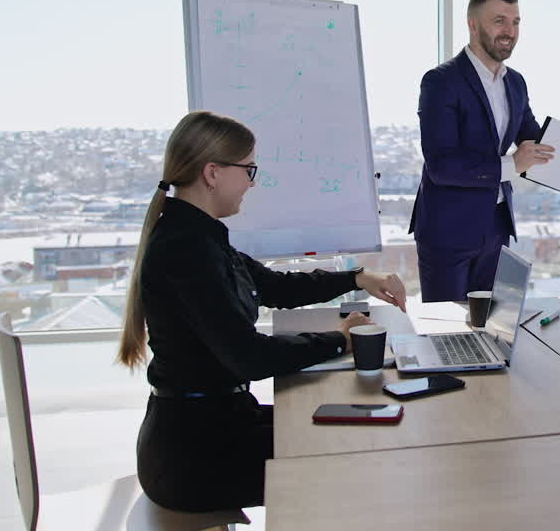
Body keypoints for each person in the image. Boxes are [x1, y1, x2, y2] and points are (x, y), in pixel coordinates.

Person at [116, 110, 409, 512]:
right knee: (350, 455)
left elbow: (275, 287)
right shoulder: (186, 250)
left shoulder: (200, 238)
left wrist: (357, 278)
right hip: (193, 459)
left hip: (217, 424)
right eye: (248, 170)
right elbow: (249, 356)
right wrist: (339, 340)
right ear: (213, 173)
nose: (252, 184)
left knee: (354, 428)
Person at [410, 0, 554, 302]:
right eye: (499, 21)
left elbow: (532, 138)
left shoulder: (515, 82)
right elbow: (441, 167)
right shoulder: (440, 81)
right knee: (447, 331)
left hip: (497, 226)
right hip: (448, 230)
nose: (510, 32)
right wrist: (513, 164)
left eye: (516, 22)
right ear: (473, 25)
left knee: (490, 327)